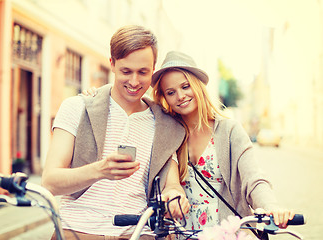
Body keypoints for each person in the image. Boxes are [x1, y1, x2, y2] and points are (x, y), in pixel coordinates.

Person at [42, 26, 189, 240]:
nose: (134, 82)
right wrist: (99, 170)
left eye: (143, 72)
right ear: (112, 63)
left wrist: (175, 196)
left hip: (139, 232)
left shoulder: (165, 124)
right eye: (126, 71)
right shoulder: (76, 108)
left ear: (153, 68)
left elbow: (172, 183)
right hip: (79, 230)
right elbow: (50, 182)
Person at [150, 51, 295, 237]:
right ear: (165, 98)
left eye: (185, 86)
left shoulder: (229, 130)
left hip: (226, 232)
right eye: (171, 92)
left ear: (197, 85)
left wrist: (271, 207)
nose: (180, 96)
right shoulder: (168, 134)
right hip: (183, 233)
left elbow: (253, 178)